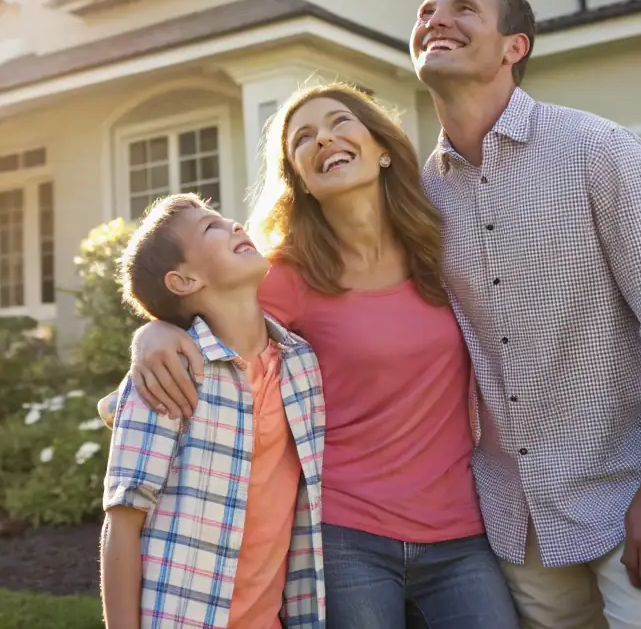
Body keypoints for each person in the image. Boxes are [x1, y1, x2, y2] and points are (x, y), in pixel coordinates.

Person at [111, 88, 522, 628]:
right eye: (303, 138)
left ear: (381, 148)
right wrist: (156, 333)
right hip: (347, 538)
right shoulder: (286, 274)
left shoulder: (443, 246)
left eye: (338, 122)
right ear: (299, 178)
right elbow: (205, 318)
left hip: (460, 532)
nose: (323, 137)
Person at [410, 0, 641, 629]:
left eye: (463, 8)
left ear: (512, 47)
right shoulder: (418, 197)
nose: (435, 19)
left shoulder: (596, 149)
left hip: (633, 491)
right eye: (427, 11)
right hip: (516, 514)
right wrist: (164, 329)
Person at [100, 193, 326, 629]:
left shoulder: (302, 365)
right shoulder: (170, 377)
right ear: (183, 281)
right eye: (210, 228)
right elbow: (122, 525)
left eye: (226, 220)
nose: (235, 226)